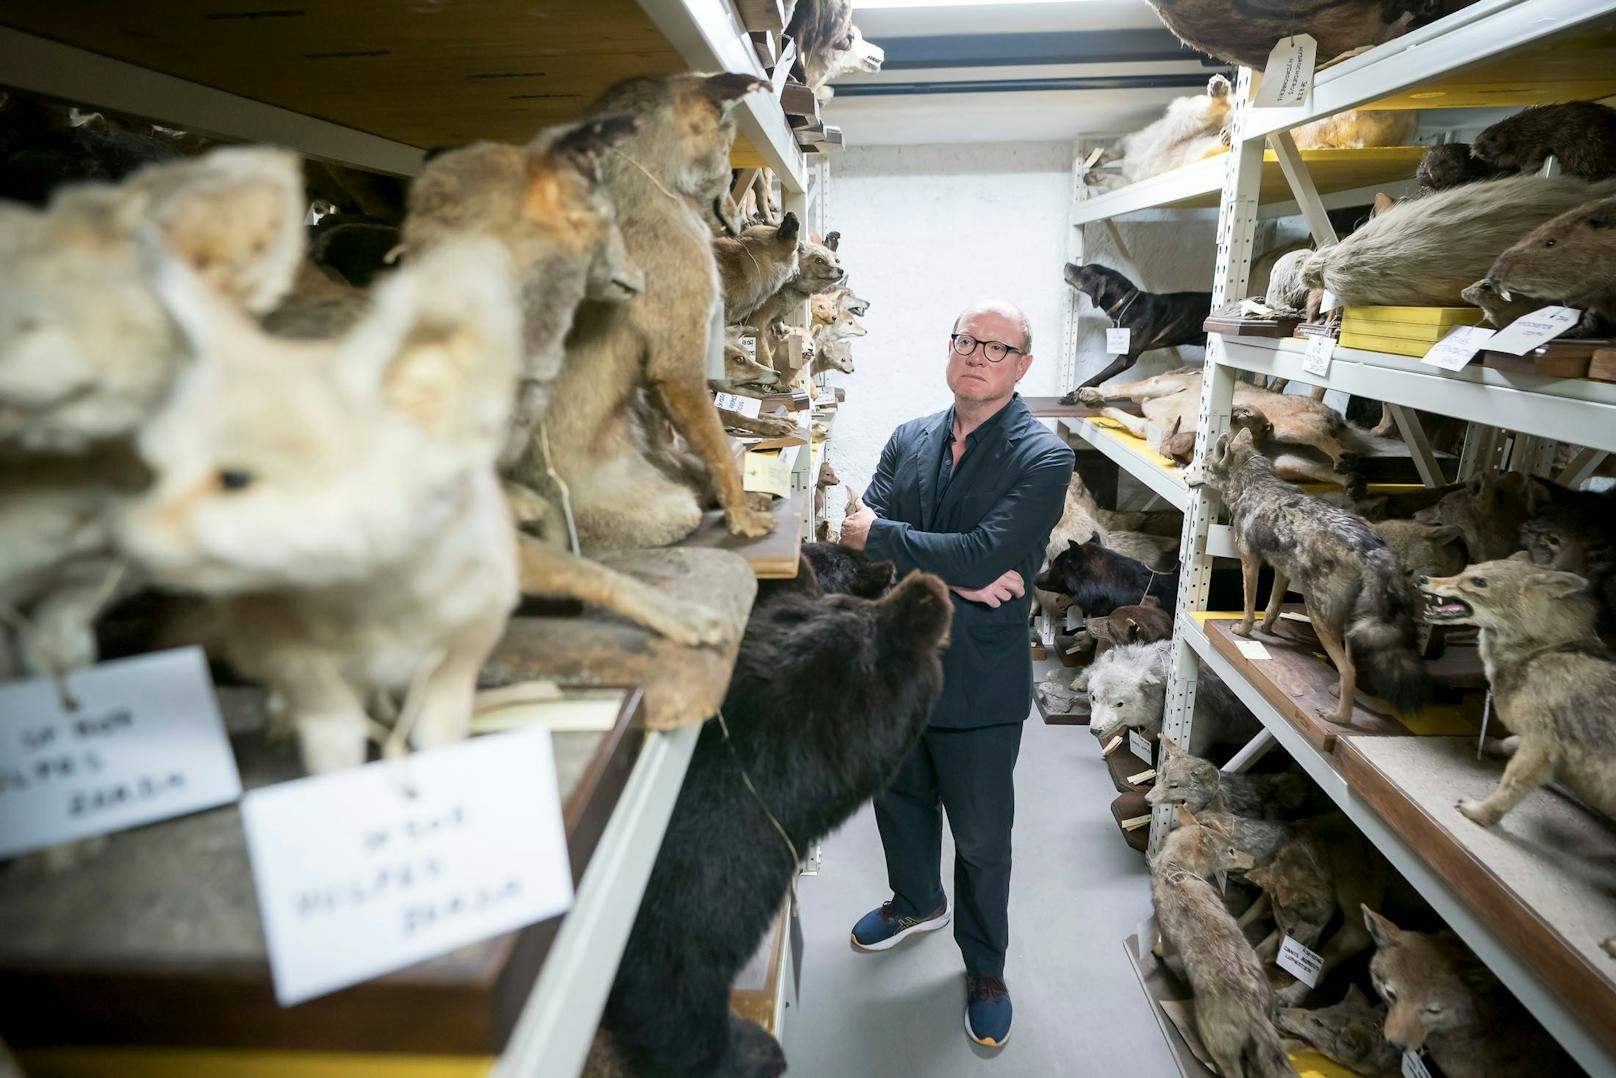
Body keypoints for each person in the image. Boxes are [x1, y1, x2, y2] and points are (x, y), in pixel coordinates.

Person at [839, 298, 1075, 1048]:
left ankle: (985, 967)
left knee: (980, 836)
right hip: (898, 663)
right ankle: (914, 900)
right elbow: (857, 549)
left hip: (979, 679)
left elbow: (959, 550)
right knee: (899, 801)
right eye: (966, 340)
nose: (977, 354)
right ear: (950, 349)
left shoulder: (1043, 457)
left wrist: (908, 546)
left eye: (997, 348)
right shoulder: (909, 438)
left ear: (1022, 367)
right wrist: (961, 572)